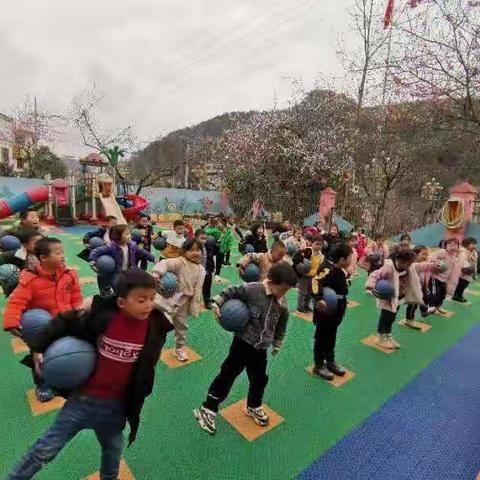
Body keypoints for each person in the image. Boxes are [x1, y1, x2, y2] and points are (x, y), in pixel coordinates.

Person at [6, 270, 174, 480]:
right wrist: (39, 347)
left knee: (113, 452)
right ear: (122, 302)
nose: (148, 304)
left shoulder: (154, 327)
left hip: (116, 408)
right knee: (45, 449)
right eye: (141, 300)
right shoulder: (105, 319)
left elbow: (147, 365)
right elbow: (67, 320)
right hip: (83, 400)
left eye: (151, 298)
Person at [193, 262, 298, 435]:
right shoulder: (253, 289)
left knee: (260, 379)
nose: (285, 293)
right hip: (243, 343)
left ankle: (253, 405)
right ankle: (208, 407)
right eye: (284, 289)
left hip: (261, 348)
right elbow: (232, 291)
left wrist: (277, 342)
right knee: (228, 374)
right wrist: (217, 303)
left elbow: (281, 324)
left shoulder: (282, 303)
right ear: (271, 281)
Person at [3, 237, 83, 402]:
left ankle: (65, 380)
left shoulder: (69, 275)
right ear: (43, 258)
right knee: (40, 358)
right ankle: (43, 385)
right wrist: (11, 322)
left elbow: (75, 297)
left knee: (65, 353)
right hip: (42, 329)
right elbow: (16, 301)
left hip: (66, 323)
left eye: (63, 252)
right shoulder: (30, 280)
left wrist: (79, 313)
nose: (62, 255)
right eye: (58, 252)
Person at [365, 245, 432, 349]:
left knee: (392, 318)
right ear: (398, 260)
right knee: (385, 318)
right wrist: (370, 286)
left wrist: (432, 265)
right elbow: (375, 274)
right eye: (407, 263)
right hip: (388, 298)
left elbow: (419, 266)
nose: (409, 265)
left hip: (398, 298)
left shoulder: (407, 266)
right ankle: (380, 336)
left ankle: (388, 335)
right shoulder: (389, 267)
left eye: (410, 263)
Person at [152, 238, 206, 362]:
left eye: (198, 250)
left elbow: (198, 288)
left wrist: (196, 302)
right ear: (184, 252)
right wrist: (157, 273)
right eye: (191, 250)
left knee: (182, 327)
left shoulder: (201, 270)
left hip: (184, 304)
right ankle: (152, 345)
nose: (195, 252)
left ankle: (179, 349)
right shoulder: (179, 262)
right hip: (168, 300)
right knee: (159, 324)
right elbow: (165, 263)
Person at [311, 243, 353, 380]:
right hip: (325, 311)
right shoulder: (326, 269)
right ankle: (318, 365)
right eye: (350, 257)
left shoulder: (341, 271)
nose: (352, 259)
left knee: (331, 336)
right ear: (341, 260)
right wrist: (318, 299)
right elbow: (315, 282)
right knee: (321, 338)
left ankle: (330, 361)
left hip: (336, 311)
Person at [89, 225, 155, 297]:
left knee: (133, 285)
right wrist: (92, 262)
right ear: (118, 236)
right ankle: (108, 295)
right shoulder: (112, 247)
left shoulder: (132, 245)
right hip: (117, 273)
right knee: (116, 287)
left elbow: (143, 252)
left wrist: (153, 259)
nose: (130, 236)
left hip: (129, 271)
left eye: (129, 233)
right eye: (127, 234)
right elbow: (97, 251)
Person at [0, 229, 43, 295]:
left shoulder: (46, 255)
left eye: (42, 242)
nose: (41, 245)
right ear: (25, 245)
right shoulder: (15, 255)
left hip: (39, 286)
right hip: (20, 287)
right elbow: (2, 258)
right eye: (37, 243)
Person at [427, 238, 461, 315]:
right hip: (435, 277)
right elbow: (432, 258)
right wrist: (437, 264)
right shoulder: (442, 252)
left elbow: (453, 271)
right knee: (435, 292)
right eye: (450, 245)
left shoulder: (454, 257)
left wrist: (451, 281)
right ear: (445, 246)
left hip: (444, 279)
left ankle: (438, 306)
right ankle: (431, 306)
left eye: (456, 245)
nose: (453, 247)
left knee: (442, 293)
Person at [292, 236, 325, 313]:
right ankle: (300, 307)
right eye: (316, 244)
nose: (318, 246)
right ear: (311, 243)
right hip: (305, 276)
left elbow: (320, 264)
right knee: (303, 292)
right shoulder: (307, 251)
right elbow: (297, 258)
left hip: (313, 277)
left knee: (310, 293)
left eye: (320, 245)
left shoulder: (320, 254)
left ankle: (306, 305)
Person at [405, 245, 430, 328]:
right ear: (415, 255)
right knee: (413, 305)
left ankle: (411, 318)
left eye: (427, 254)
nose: (425, 256)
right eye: (423, 254)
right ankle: (409, 320)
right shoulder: (413, 264)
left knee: (415, 304)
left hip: (419, 287)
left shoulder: (421, 264)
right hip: (412, 288)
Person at [195, 229, 217, 309]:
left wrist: (212, 267)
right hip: (196, 272)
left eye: (205, 238)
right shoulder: (193, 247)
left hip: (207, 271)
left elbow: (210, 258)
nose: (204, 240)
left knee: (207, 286)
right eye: (202, 238)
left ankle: (207, 301)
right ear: (196, 238)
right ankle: (192, 302)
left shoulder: (208, 246)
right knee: (195, 287)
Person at [452, 237, 477, 303]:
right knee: (461, 284)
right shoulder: (463, 252)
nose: (474, 246)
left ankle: (457, 295)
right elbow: (462, 261)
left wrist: (474, 272)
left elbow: (475, 262)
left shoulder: (473, 252)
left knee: (465, 284)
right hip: (463, 272)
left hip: (469, 271)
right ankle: (458, 296)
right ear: (466, 244)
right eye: (472, 244)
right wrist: (467, 268)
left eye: (475, 244)